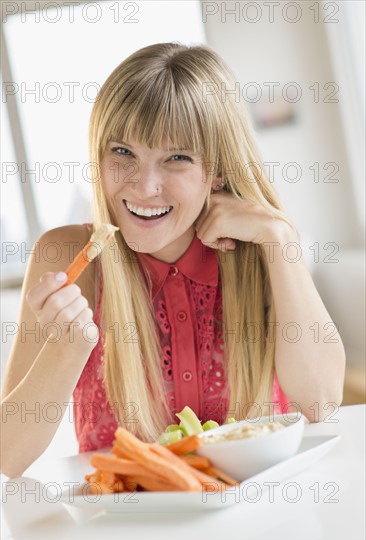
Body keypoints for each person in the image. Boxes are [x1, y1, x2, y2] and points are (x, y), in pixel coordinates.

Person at [0, 42, 345, 478]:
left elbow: (319, 403)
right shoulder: (69, 256)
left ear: (216, 169)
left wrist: (279, 237)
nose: (145, 187)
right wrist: (65, 349)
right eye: (122, 152)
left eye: (177, 158)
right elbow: (9, 458)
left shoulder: (262, 248)